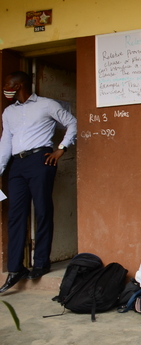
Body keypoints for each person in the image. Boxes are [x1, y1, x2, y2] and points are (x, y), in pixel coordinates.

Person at [0, 71, 77, 293]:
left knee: (42, 210)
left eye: (8, 84)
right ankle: (16, 268)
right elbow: (6, 141)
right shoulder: (8, 112)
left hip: (40, 160)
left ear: (20, 84)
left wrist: (61, 150)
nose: (6, 88)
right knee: (15, 215)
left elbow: (72, 122)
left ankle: (41, 263)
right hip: (17, 164)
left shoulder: (46, 105)